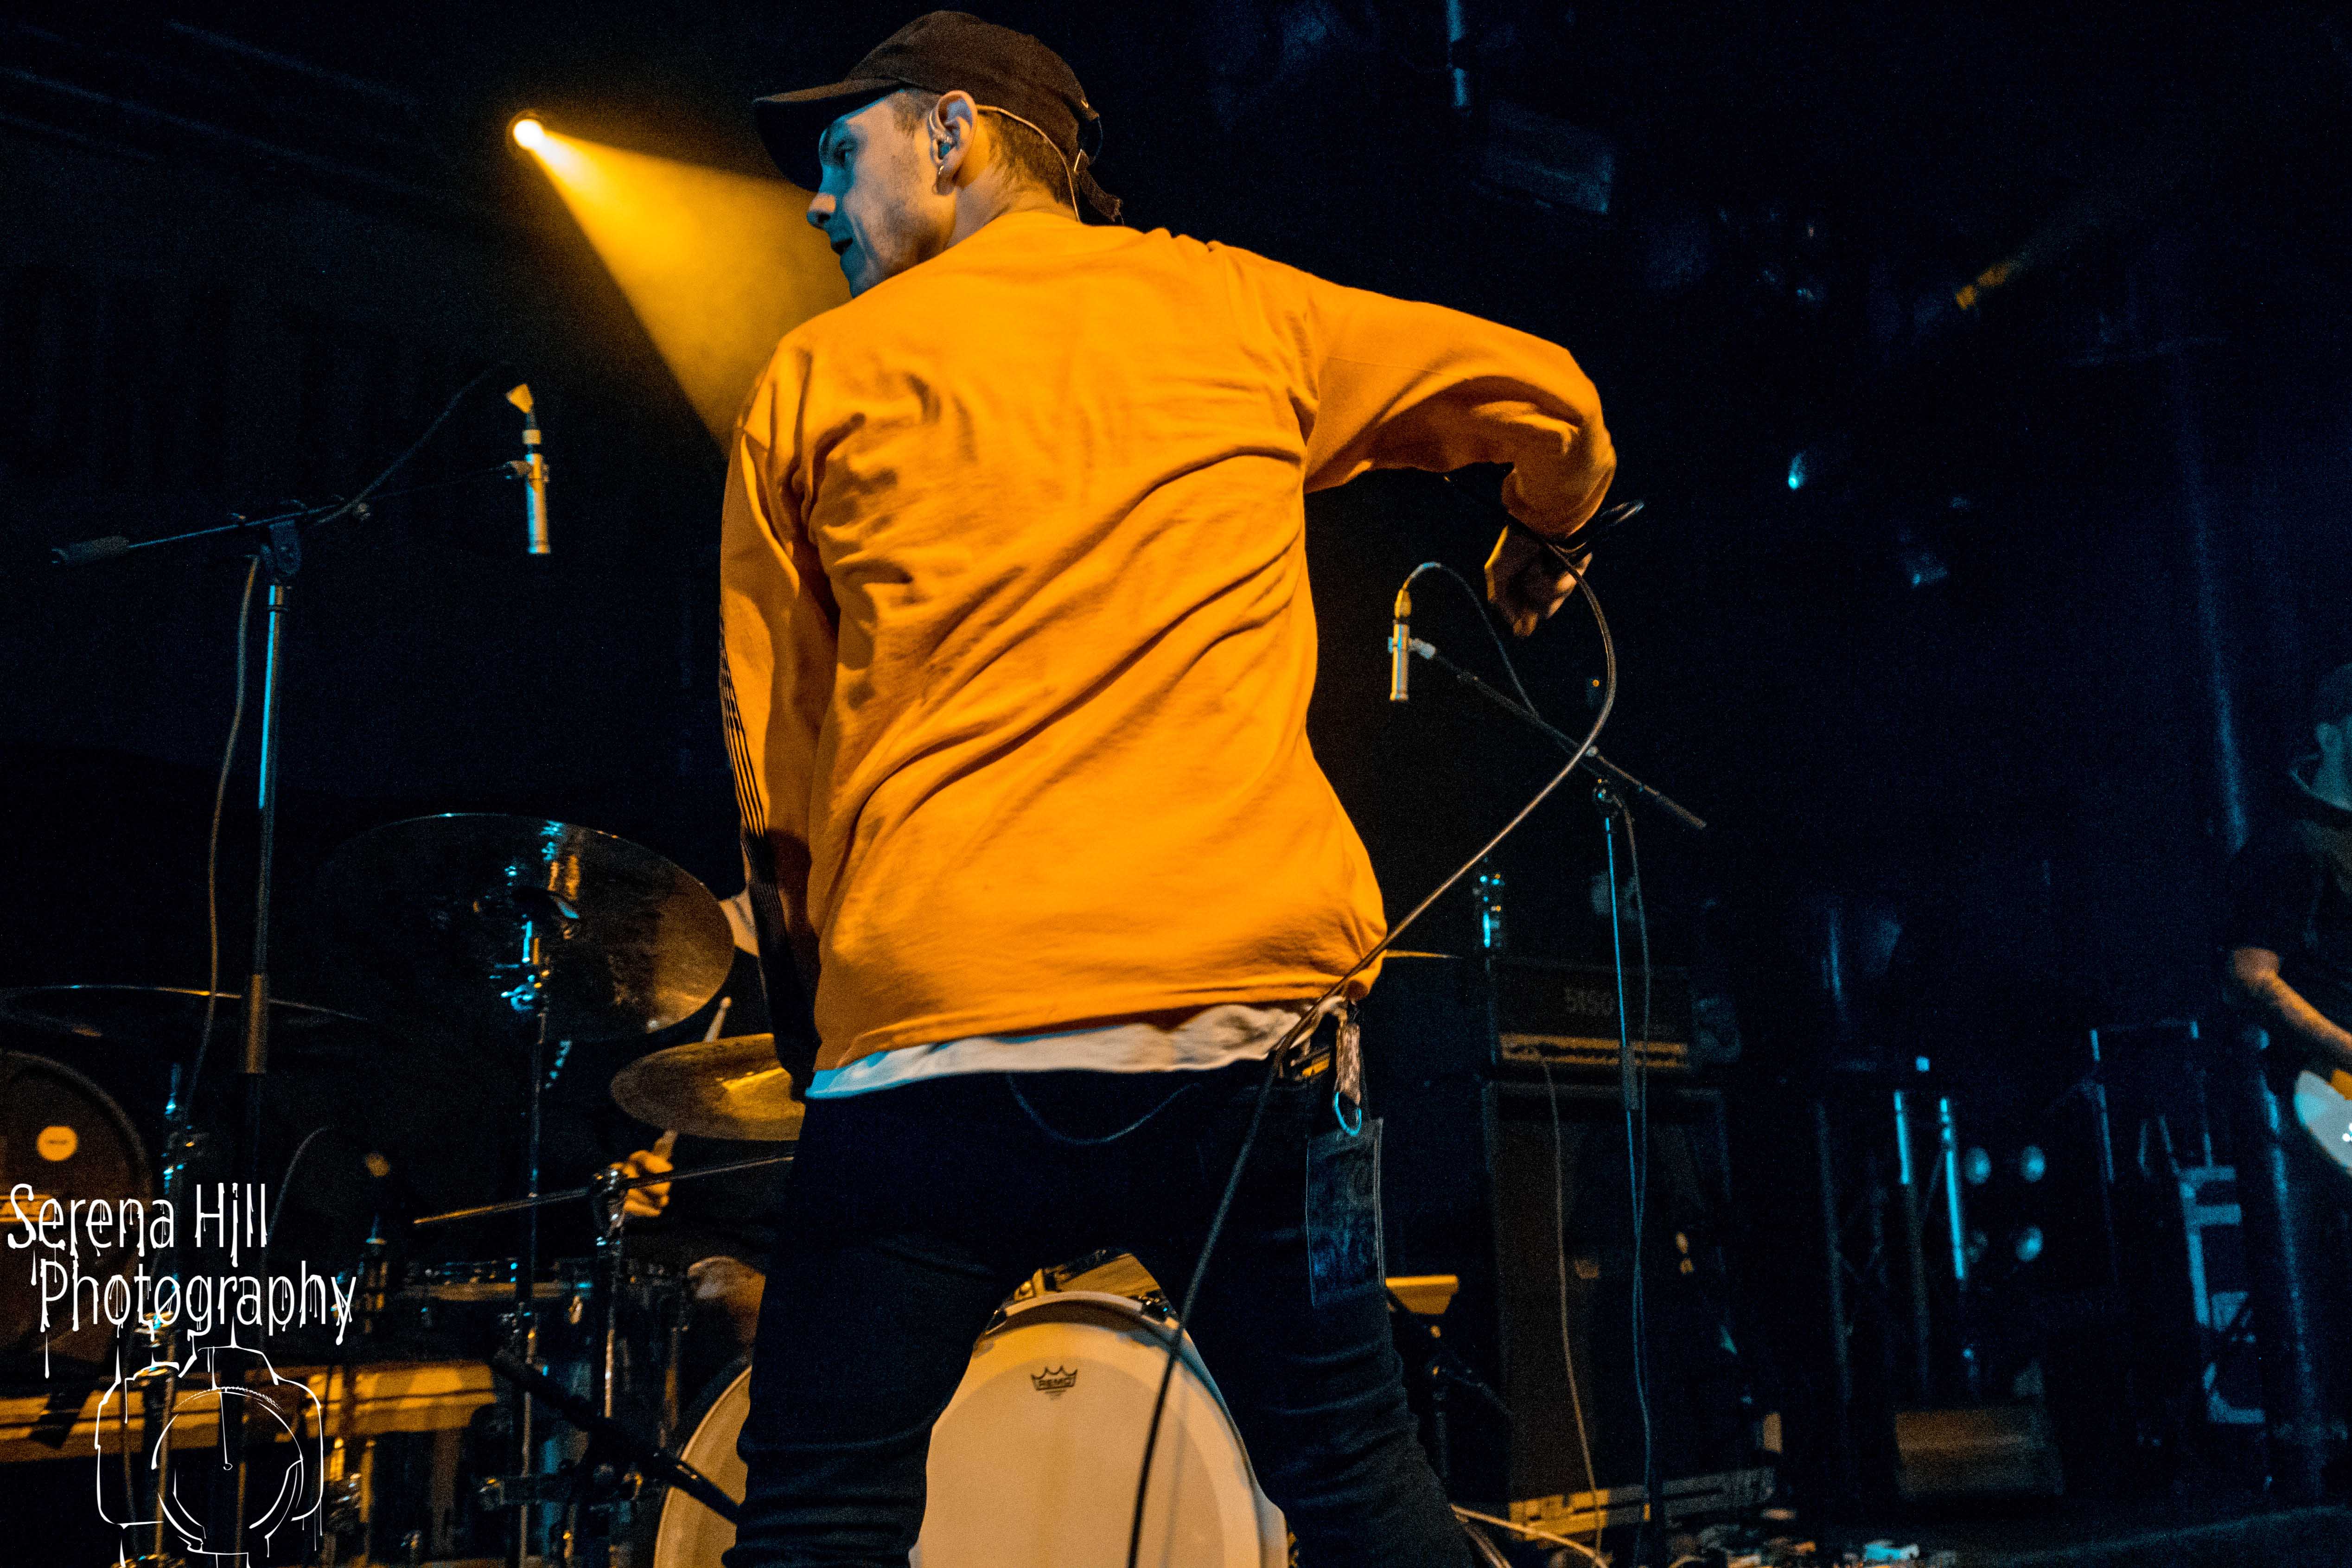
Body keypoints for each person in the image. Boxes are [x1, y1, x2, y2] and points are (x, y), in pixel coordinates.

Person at [719, 13, 1614, 1565]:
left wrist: (821, 1013)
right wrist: (1550, 528)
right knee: (1354, 1480)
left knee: (817, 1512)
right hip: (1244, 1029)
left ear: (954, 132)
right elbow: (1550, 396)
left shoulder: (815, 374)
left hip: (935, 1031)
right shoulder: (1241, 309)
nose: (816, 201)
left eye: (840, 153)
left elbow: (771, 736)